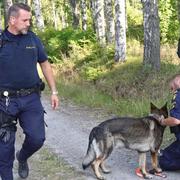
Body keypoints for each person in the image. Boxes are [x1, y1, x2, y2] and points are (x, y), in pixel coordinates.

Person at [0, 3, 59, 180]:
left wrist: (54, 91)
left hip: (31, 99)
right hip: (5, 102)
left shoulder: (33, 39)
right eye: (25, 20)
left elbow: (45, 64)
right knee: (4, 147)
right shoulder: (1, 41)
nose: (28, 23)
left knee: (37, 138)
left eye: (30, 20)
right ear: (12, 20)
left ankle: (23, 157)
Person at [157, 74, 180, 171]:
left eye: (172, 87)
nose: (172, 90)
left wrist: (163, 121)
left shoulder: (178, 95)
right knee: (165, 152)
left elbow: (175, 120)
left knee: (163, 160)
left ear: (177, 81)